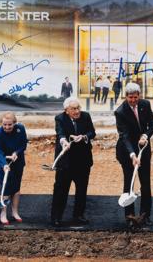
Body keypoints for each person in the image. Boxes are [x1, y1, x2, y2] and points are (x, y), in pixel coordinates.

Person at [114, 82, 153, 229]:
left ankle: (145, 216)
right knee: (129, 183)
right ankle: (130, 217)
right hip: (127, 151)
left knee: (146, 184)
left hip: (143, 147)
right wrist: (132, 155)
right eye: (130, 97)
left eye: (135, 97)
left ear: (139, 95)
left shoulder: (145, 104)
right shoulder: (120, 111)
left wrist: (145, 135)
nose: (133, 100)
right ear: (125, 96)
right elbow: (124, 136)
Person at [51, 97, 96, 227]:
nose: (77, 111)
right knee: (61, 190)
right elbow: (60, 133)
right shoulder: (60, 118)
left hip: (83, 160)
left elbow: (92, 132)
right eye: (73, 109)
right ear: (66, 111)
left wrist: (84, 137)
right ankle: (56, 217)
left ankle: (78, 216)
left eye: (78, 108)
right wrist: (64, 141)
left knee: (81, 190)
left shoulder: (86, 116)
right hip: (65, 162)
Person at [0, 111, 28, 225]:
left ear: (14, 123)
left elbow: (23, 144)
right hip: (2, 163)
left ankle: (15, 212)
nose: (7, 127)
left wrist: (16, 153)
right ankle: (3, 213)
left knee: (16, 188)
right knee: (5, 189)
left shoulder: (20, 129)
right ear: (1, 123)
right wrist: (4, 164)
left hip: (17, 162)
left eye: (10, 124)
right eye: (4, 124)